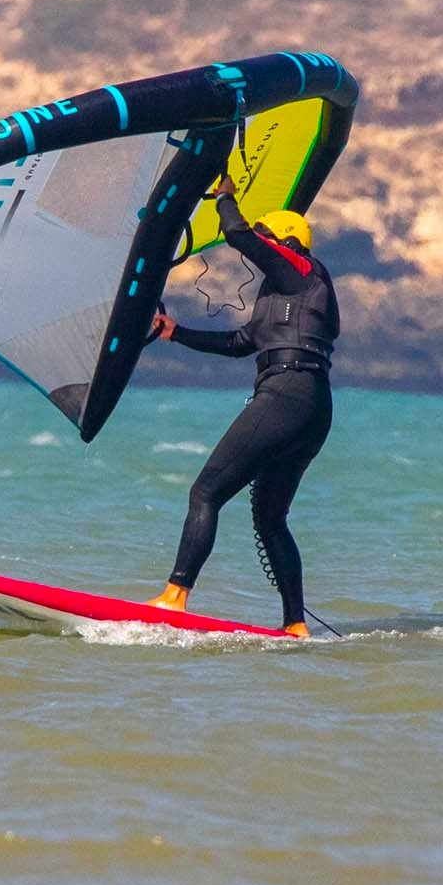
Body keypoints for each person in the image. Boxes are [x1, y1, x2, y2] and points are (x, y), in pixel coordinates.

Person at [146, 177, 339, 638]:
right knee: (271, 518)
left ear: (285, 242)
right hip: (310, 405)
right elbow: (238, 344)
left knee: (205, 493)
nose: (264, 251)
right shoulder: (281, 295)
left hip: (288, 395)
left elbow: (239, 236)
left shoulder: (304, 271)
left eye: (268, 240)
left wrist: (225, 195)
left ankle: (175, 596)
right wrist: (176, 333)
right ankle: (295, 624)